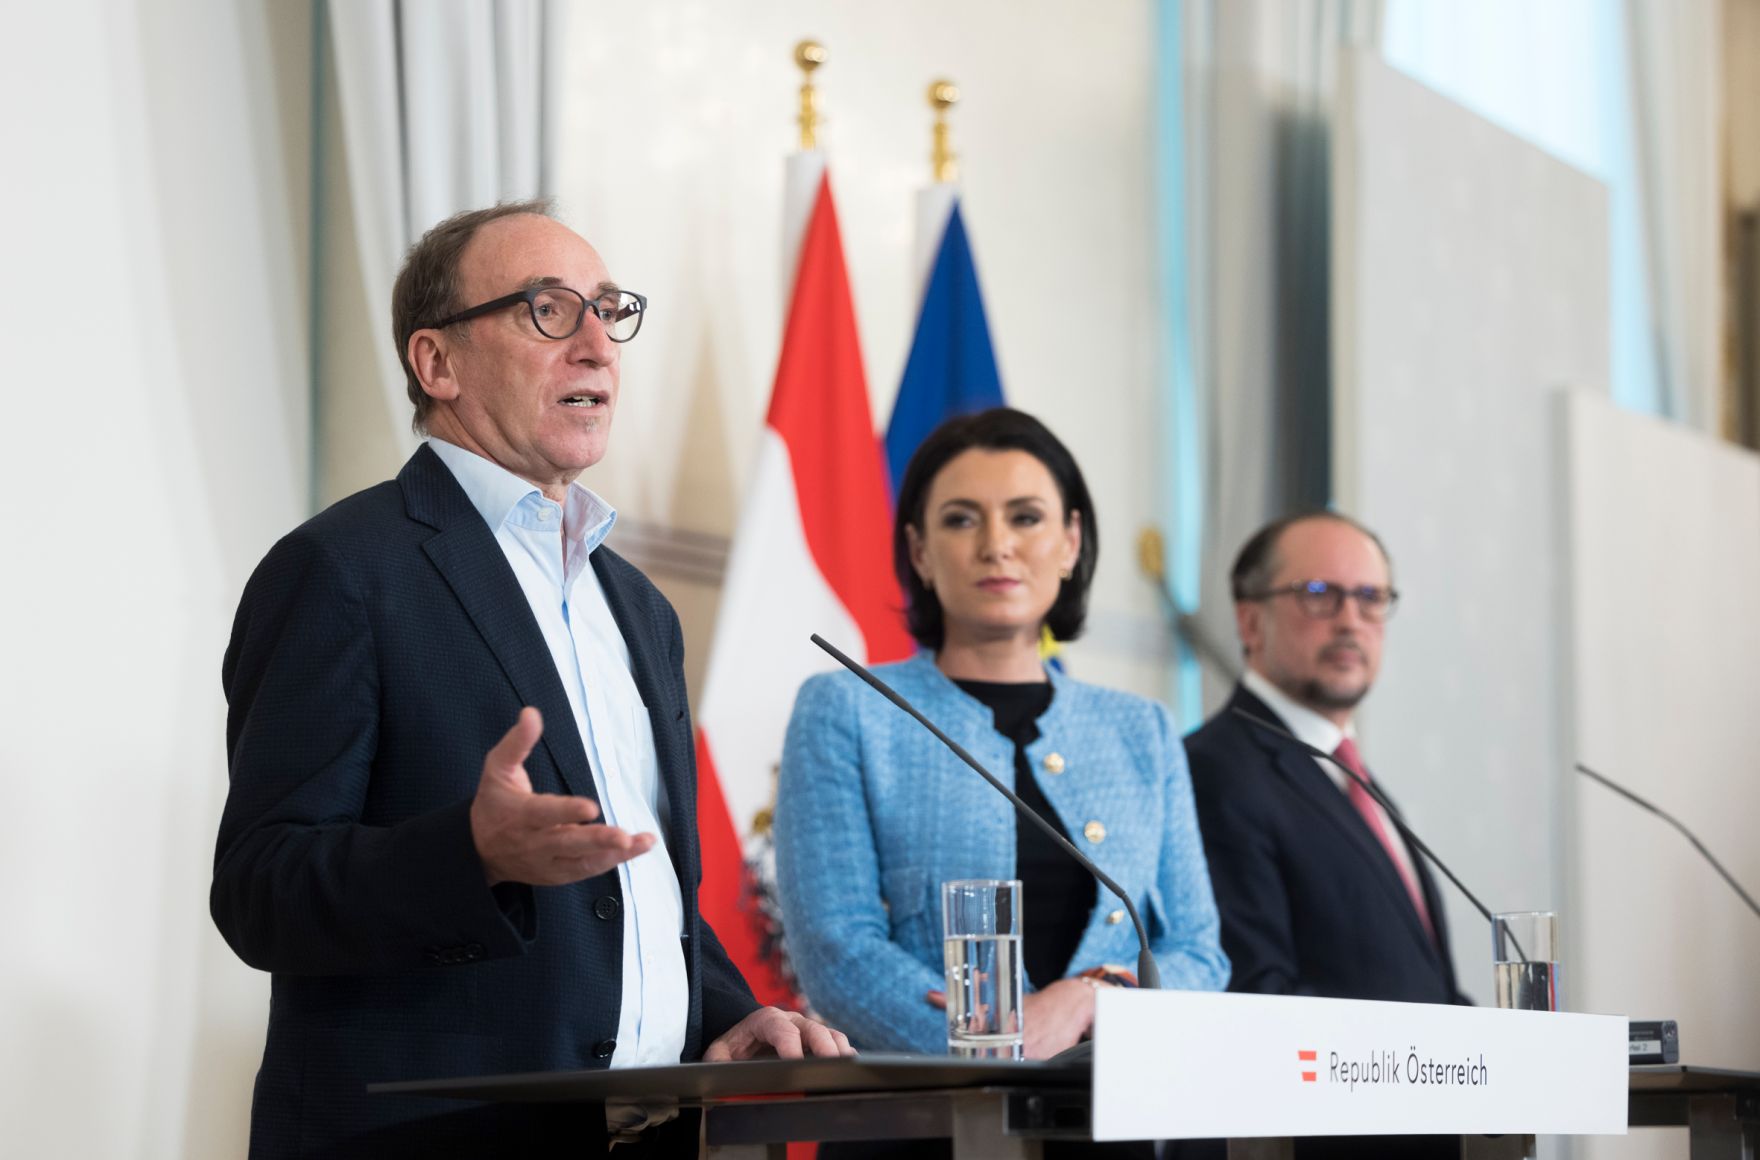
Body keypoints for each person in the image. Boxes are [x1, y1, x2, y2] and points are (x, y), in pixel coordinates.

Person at [211, 201, 850, 1160]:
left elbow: (641, 886)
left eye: (609, 310)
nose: (597, 346)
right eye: (548, 310)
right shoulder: (343, 571)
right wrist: (469, 854)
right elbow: (261, 890)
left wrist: (727, 1010)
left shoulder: (638, 606)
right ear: (438, 363)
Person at [774, 408, 1230, 1066]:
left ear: (1070, 542)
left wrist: (1092, 999)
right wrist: (999, 1045)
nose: (997, 544)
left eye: (1026, 517)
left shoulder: (1143, 730)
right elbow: (839, 953)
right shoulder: (848, 709)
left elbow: (1199, 955)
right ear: (920, 552)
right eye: (962, 519)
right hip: (933, 1106)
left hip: (1121, 1100)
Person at [1184, 511, 1464, 1160]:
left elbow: (1419, 987)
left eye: (1371, 598)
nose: (1350, 620)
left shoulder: (1352, 777)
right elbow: (1255, 996)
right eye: (1318, 594)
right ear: (1249, 621)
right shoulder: (1214, 770)